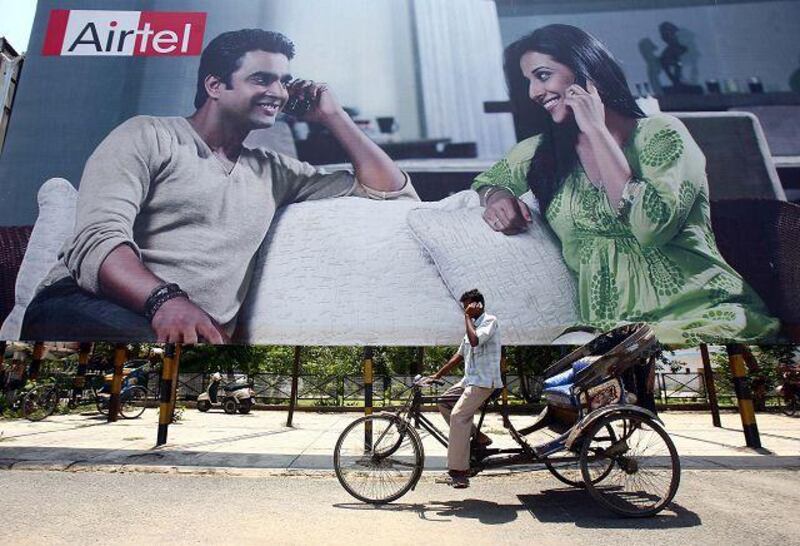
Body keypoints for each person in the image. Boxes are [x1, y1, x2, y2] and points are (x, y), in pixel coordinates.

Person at [21, 29, 417, 344]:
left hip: (188, 331)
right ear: (214, 85)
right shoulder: (147, 135)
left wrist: (334, 117)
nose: (278, 92)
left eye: (284, 81)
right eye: (262, 78)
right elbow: (99, 239)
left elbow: (389, 191)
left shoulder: (275, 171)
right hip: (83, 304)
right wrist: (166, 300)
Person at [471, 24, 779, 345]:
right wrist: (497, 196)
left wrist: (596, 131)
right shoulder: (541, 152)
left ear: (584, 71)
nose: (534, 92)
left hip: (700, 315)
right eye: (528, 82)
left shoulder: (662, 134)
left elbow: (650, 228)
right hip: (614, 333)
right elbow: (488, 181)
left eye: (543, 75)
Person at [429, 289, 502, 489]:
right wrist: (438, 375)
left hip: (484, 382)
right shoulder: (471, 324)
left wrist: (468, 317)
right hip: (469, 381)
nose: (465, 309)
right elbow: (459, 355)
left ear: (478, 305)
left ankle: (459, 472)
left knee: (458, 417)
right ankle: (478, 437)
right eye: (464, 307)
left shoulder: (489, 321)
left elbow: (475, 340)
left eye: (468, 305)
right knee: (444, 403)